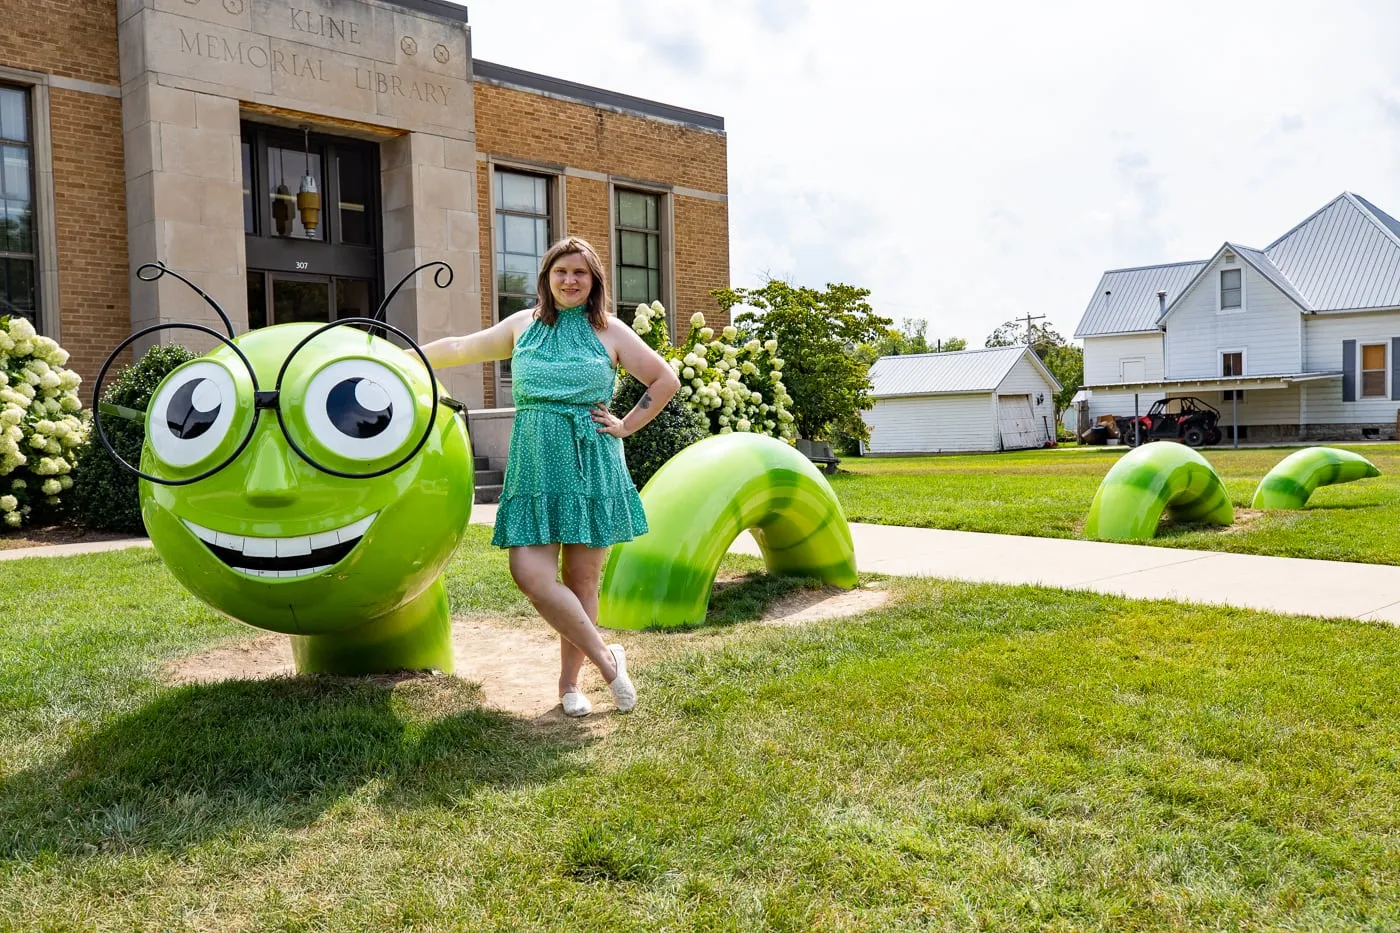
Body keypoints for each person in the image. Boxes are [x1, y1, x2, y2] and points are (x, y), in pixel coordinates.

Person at [421, 236, 680, 716]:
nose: (570, 280)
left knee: (583, 581)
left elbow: (665, 380)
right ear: (547, 277)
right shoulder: (523, 326)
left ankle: (569, 686)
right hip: (536, 462)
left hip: (591, 461)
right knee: (530, 574)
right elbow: (460, 346)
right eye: (561, 271)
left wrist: (626, 425)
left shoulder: (612, 332)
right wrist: (406, 356)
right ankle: (608, 659)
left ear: (594, 281)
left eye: (580, 273)